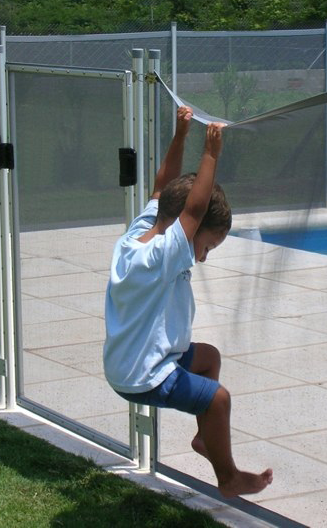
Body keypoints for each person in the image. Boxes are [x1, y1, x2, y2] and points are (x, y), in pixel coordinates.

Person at [103, 105, 273, 498]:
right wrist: (210, 153)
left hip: (135, 358)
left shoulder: (140, 232)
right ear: (185, 228)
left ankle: (204, 439)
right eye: (207, 245)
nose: (203, 256)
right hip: (144, 374)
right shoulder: (160, 257)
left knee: (209, 357)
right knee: (218, 399)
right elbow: (193, 208)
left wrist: (180, 137)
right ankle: (228, 476)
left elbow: (164, 187)